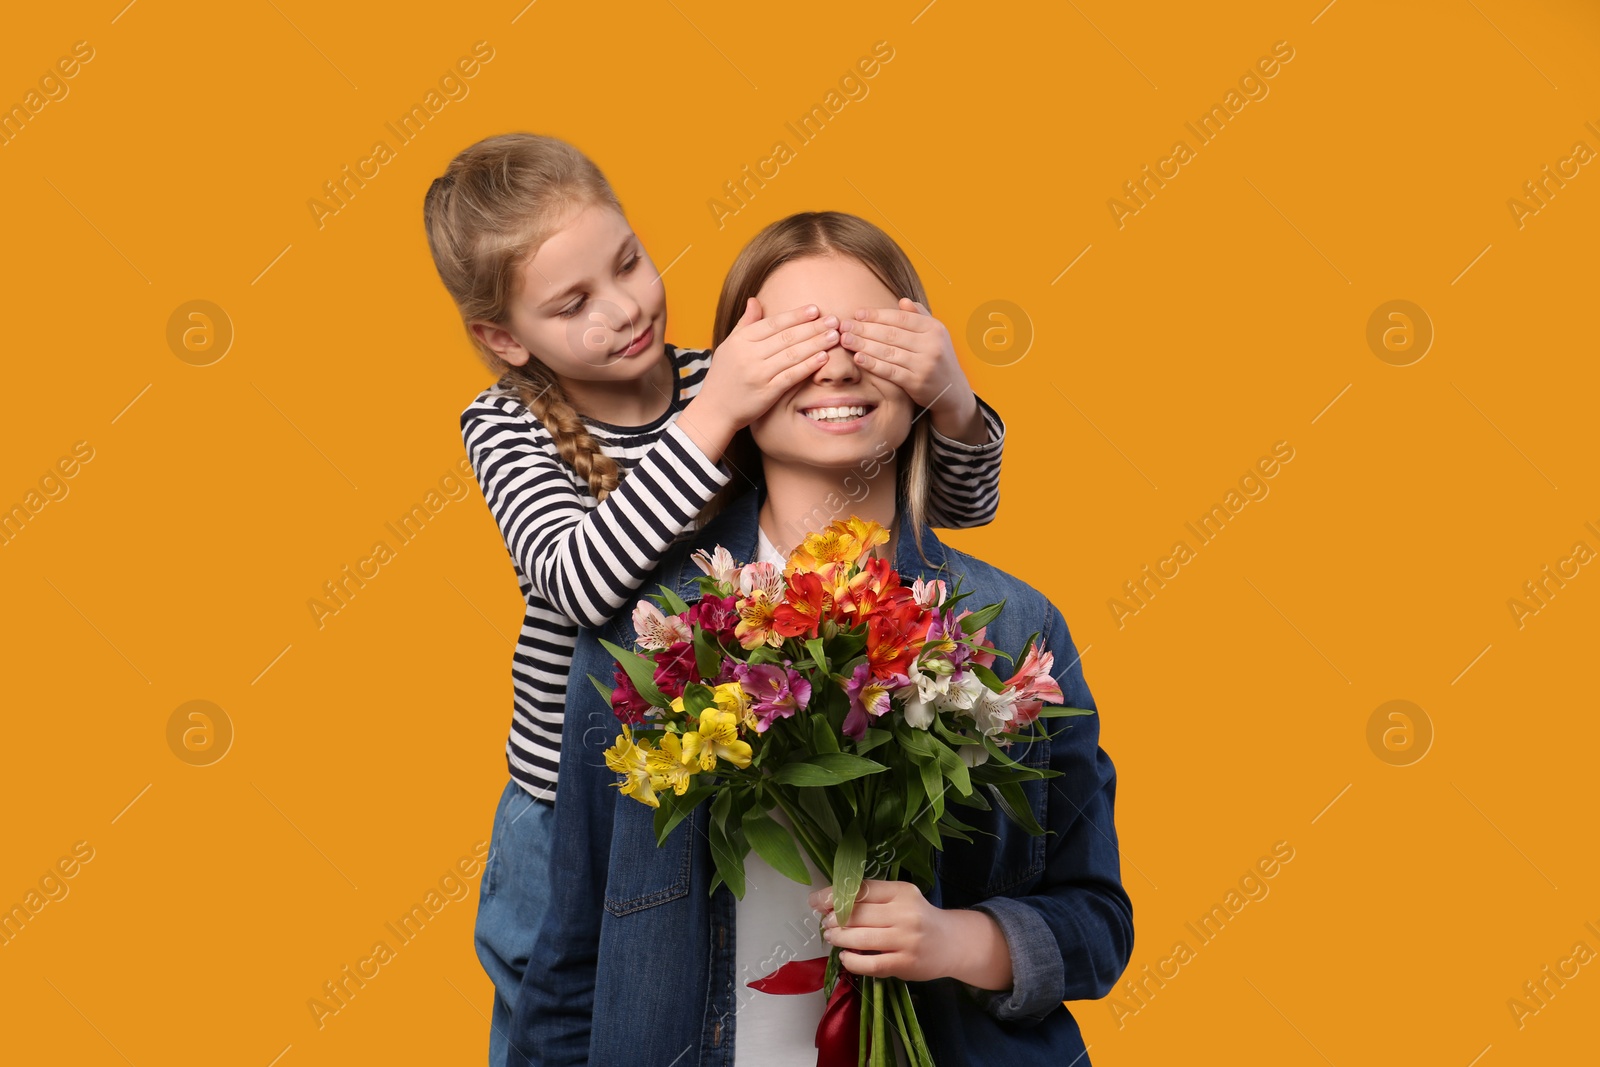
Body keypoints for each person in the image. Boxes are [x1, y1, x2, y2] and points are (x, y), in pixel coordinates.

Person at [423, 137, 1011, 1065]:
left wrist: (950, 403)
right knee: (558, 1006)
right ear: (504, 337)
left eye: (629, 263)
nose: (624, 310)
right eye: (573, 304)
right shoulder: (510, 423)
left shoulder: (713, 371)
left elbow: (951, 508)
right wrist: (714, 415)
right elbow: (579, 584)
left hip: (726, 770)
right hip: (570, 796)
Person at [511, 212, 1133, 1066]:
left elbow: (1097, 923)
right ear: (725, 376)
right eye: (794, 338)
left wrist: (959, 940)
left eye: (873, 336)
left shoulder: (1016, 626)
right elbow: (572, 961)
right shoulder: (641, 638)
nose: (836, 361)